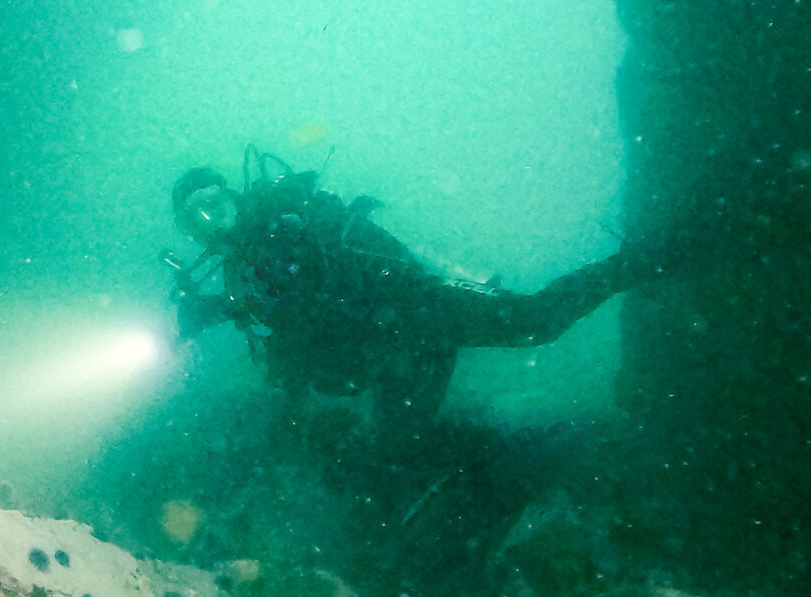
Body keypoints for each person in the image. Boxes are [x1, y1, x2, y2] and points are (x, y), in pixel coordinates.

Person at [167, 151, 666, 431]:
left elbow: (304, 296)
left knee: (536, 322)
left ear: (232, 195)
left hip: (421, 309)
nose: (212, 222)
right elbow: (294, 335)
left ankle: (639, 261)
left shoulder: (283, 224)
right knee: (396, 448)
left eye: (215, 204)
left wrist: (222, 306)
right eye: (197, 219)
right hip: (394, 351)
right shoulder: (240, 268)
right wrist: (220, 308)